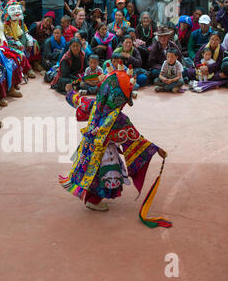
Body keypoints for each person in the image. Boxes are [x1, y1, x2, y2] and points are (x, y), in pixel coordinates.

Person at [60, 66, 169, 219]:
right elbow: (136, 138)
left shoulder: (95, 104)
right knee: (106, 174)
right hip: (105, 153)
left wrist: (70, 91)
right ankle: (94, 201)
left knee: (92, 173)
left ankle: (92, 198)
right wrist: (156, 149)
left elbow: (78, 100)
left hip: (88, 146)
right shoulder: (119, 119)